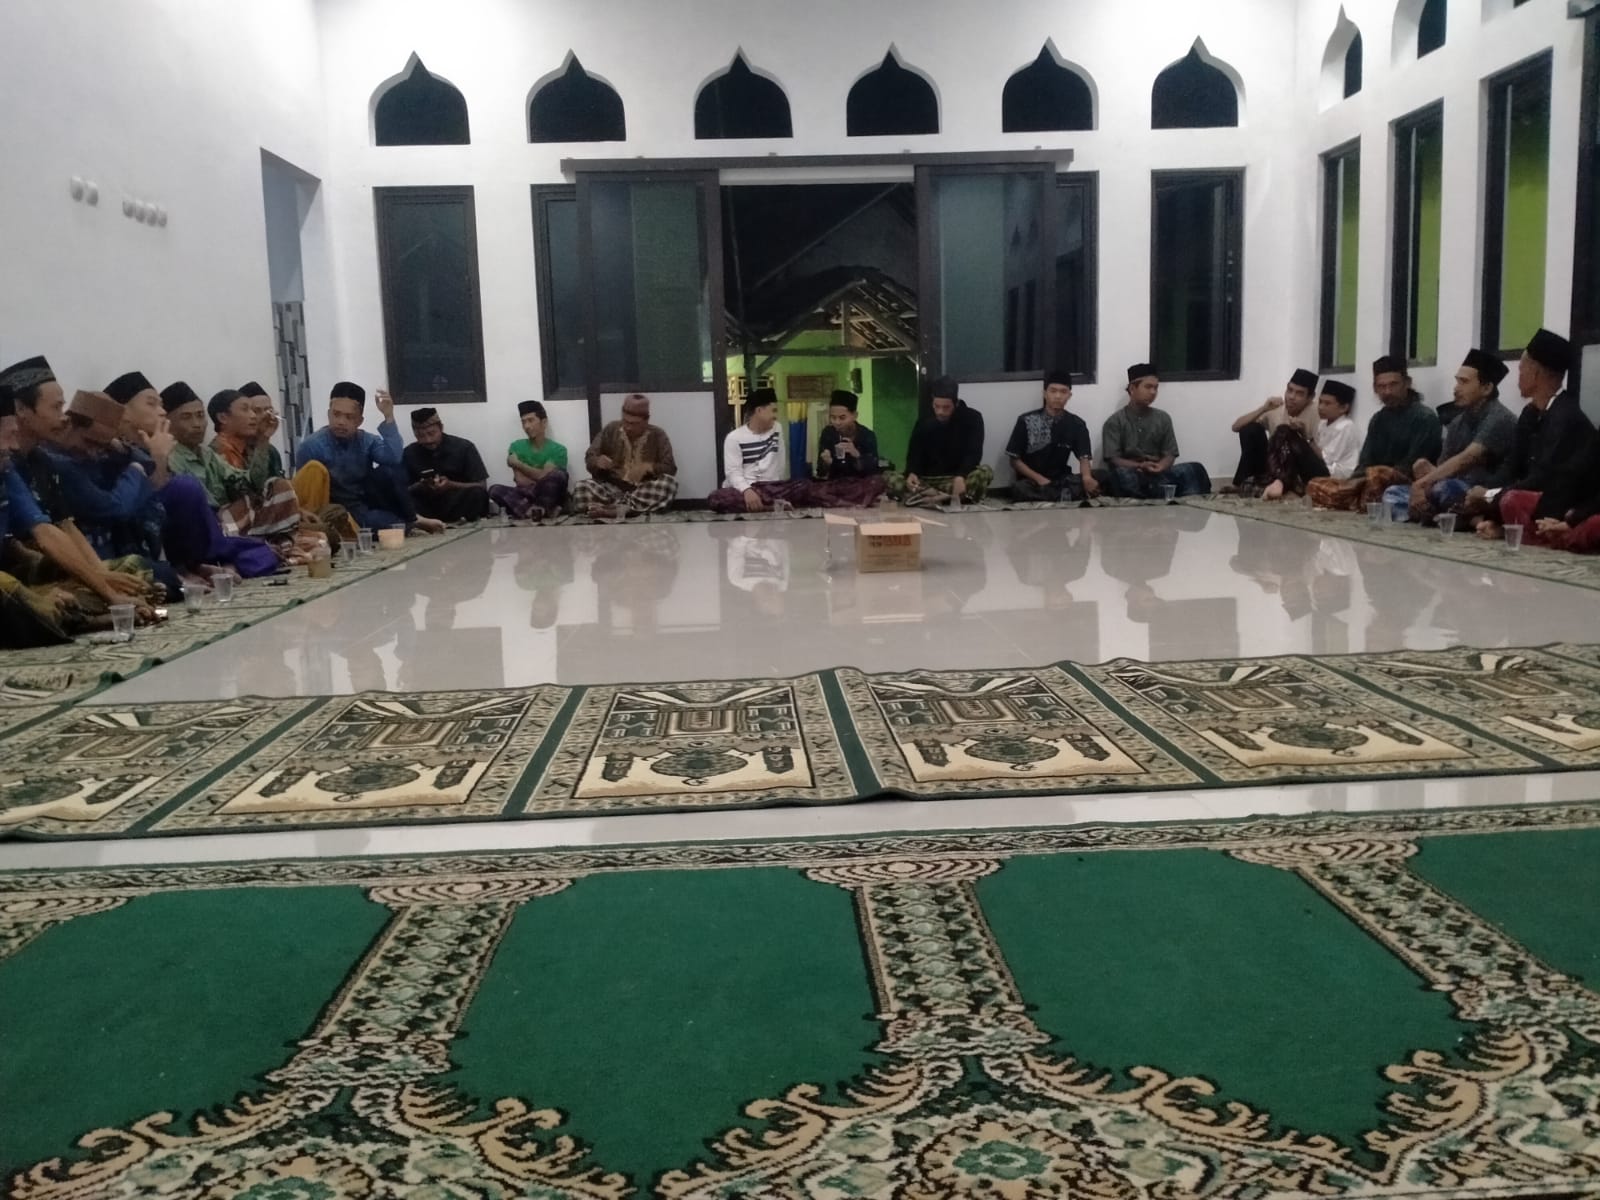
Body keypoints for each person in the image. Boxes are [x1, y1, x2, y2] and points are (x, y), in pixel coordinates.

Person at [0, 356, 165, 623]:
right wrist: (106, 588)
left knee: (136, 572)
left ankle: (77, 611)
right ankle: (87, 619)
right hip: (19, 576)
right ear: (21, 410)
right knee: (19, 595)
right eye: (56, 407)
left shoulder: (36, 462)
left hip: (46, 568)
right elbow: (45, 539)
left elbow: (59, 527)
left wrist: (104, 580)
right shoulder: (26, 463)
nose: (63, 417)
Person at [1468, 330, 1595, 541]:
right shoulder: (1530, 413)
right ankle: (1501, 526)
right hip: (1530, 495)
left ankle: (1515, 531)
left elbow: (1544, 479)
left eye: (1521, 369)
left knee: (1511, 500)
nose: (1518, 376)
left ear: (1535, 373)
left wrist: (1490, 496)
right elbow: (1512, 465)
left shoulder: (1567, 418)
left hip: (1560, 502)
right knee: (1467, 495)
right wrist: (1486, 491)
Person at [1385, 349, 1517, 525]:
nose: (1456, 389)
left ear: (1486, 388)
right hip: (1451, 490)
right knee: (1392, 494)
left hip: (1482, 493)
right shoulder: (1458, 422)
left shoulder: (1500, 418)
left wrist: (1422, 484)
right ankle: (1444, 516)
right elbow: (1443, 467)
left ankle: (1447, 517)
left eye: (1464, 382)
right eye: (1457, 381)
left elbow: (1467, 458)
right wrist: (1427, 472)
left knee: (1446, 488)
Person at [294, 382, 444, 534]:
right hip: (335, 508)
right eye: (336, 414)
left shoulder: (366, 440)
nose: (341, 422)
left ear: (359, 421)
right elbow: (304, 492)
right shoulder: (311, 446)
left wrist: (388, 416)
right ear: (329, 414)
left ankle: (411, 519)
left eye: (349, 417)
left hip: (365, 503)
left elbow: (394, 458)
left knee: (390, 471)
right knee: (388, 526)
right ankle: (412, 522)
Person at [162, 382, 300, 541]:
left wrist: (263, 440)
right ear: (167, 423)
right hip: (205, 528)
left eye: (200, 416)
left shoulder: (206, 454)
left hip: (231, 521)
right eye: (186, 417)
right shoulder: (170, 457)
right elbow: (203, 509)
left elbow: (251, 484)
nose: (197, 424)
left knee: (279, 486)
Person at [1307, 356, 1442, 511]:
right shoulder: (1378, 419)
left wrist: (1369, 478)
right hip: (1371, 481)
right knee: (1315, 485)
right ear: (1375, 388)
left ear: (1407, 383)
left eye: (1393, 385)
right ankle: (1356, 500)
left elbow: (1411, 466)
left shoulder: (1425, 418)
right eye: (1382, 386)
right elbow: (1365, 461)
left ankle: (1358, 502)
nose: (1387, 391)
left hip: (1406, 485)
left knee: (1377, 476)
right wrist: (1352, 482)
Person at [1098, 364, 1212, 498]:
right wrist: (1140, 466)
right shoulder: (1115, 421)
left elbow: (1170, 454)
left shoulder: (1163, 418)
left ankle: (1157, 494)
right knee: (1120, 476)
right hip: (1134, 473)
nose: (1153, 392)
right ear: (1132, 389)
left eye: (1156, 388)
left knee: (1195, 469)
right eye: (1148, 387)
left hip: (1160, 474)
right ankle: (1161, 495)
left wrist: (1161, 466)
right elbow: (1114, 459)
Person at [709, 388, 819, 513]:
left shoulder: (777, 429)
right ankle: (771, 506)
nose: (776, 416)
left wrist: (778, 487)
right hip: (746, 488)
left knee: (804, 486)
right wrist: (747, 490)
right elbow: (733, 472)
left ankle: (765, 505)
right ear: (759, 411)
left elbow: (780, 463)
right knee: (716, 498)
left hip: (771, 488)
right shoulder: (734, 438)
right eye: (773, 411)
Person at [571, 393, 679, 519]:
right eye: (625, 421)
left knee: (669, 484)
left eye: (634, 423)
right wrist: (597, 461)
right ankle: (627, 508)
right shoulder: (611, 429)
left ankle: (615, 509)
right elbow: (590, 457)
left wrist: (648, 467)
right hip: (612, 489)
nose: (628, 427)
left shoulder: (658, 434)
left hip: (642, 489)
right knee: (581, 488)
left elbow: (670, 468)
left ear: (646, 420)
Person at [887, 377, 991, 507]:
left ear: (956, 403)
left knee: (984, 472)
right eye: (936, 406)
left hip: (954, 480)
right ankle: (942, 497)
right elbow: (914, 453)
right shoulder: (924, 420)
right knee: (890, 477)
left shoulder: (973, 418)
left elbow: (974, 453)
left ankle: (930, 497)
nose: (940, 412)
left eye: (946, 407)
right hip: (926, 481)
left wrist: (962, 476)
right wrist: (912, 473)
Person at [1006, 370, 1099, 502]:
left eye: (1063, 392)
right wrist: (1040, 479)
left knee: (1101, 476)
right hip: (1033, 481)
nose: (1058, 396)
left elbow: (1084, 458)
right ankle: (1063, 495)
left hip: (1061, 478)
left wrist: (1087, 478)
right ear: (1045, 394)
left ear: (1069, 395)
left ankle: (1057, 494)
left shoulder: (1076, 424)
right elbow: (1014, 460)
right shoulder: (1026, 420)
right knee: (1020, 488)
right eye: (1053, 391)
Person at [1228, 369, 1321, 491]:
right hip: (1274, 467)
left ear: (1310, 397)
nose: (1291, 397)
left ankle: (1290, 485)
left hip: (1303, 470)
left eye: (1299, 394)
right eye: (1290, 390)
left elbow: (1323, 458)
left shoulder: (1319, 412)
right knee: (1250, 429)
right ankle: (1241, 483)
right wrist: (1263, 408)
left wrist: (1303, 436)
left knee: (1286, 432)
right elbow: (1236, 427)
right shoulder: (1277, 409)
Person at [403, 407, 491, 524]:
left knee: (478, 494)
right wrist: (420, 486)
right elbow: (402, 489)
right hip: (426, 506)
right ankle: (425, 523)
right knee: (401, 499)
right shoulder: (409, 453)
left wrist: (451, 485)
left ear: (441, 428)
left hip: (456, 502)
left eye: (431, 433)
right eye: (420, 436)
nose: (428, 440)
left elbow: (482, 486)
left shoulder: (464, 447)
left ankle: (460, 520)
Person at [489, 400, 570, 520]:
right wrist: (540, 477)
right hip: (525, 493)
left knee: (558, 475)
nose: (526, 426)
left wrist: (518, 464)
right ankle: (542, 511)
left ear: (544, 422)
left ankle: (528, 510)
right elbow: (520, 480)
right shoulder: (516, 446)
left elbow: (546, 477)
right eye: (523, 422)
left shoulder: (558, 449)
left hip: (548, 492)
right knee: (494, 489)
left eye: (531, 420)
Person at [813, 390, 887, 507]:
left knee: (878, 482)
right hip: (835, 485)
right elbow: (821, 472)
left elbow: (873, 470)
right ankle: (847, 501)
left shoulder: (867, 435)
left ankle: (844, 501)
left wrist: (856, 454)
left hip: (860, 485)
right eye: (833, 418)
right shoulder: (828, 433)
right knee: (809, 487)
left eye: (842, 418)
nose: (837, 422)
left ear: (854, 416)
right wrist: (827, 462)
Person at [235, 381, 286, 479]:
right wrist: (264, 439)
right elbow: (254, 484)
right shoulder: (232, 451)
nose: (265, 416)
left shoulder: (271, 451)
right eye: (256, 411)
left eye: (269, 410)